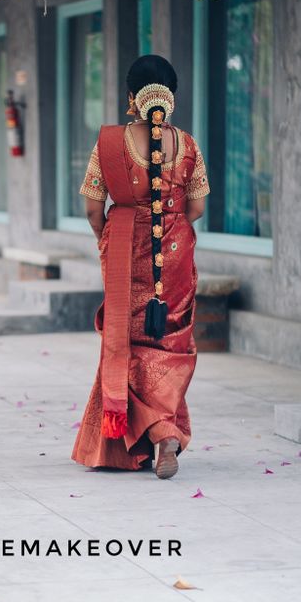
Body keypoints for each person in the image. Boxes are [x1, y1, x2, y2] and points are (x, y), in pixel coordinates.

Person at [71, 55, 210, 480]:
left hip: (124, 249)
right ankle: (165, 433)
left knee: (126, 343)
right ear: (171, 98)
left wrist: (106, 240)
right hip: (176, 252)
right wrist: (169, 228)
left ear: (131, 98)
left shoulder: (109, 144)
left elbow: (95, 208)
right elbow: (198, 207)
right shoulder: (186, 144)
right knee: (169, 341)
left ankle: (147, 437)